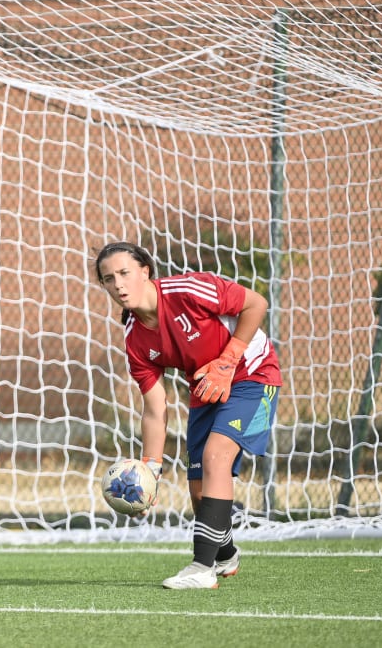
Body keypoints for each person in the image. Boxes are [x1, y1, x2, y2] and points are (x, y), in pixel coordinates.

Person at [94, 241, 282, 590]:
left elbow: (257, 304)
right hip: (206, 389)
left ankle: (201, 567)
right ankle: (225, 554)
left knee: (216, 458)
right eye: (108, 279)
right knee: (199, 491)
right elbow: (154, 407)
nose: (118, 284)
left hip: (252, 376)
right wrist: (149, 469)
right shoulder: (135, 339)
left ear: (145, 271)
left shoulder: (188, 289)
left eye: (124, 273)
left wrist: (227, 363)